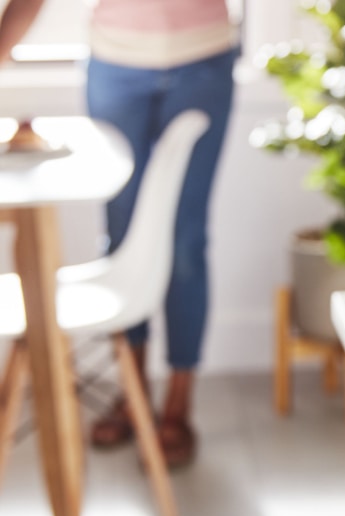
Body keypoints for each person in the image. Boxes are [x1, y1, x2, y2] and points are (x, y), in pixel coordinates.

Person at [0, 0, 236, 466]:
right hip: (116, 61)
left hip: (203, 60)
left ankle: (178, 404)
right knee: (122, 232)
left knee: (186, 240)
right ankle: (133, 394)